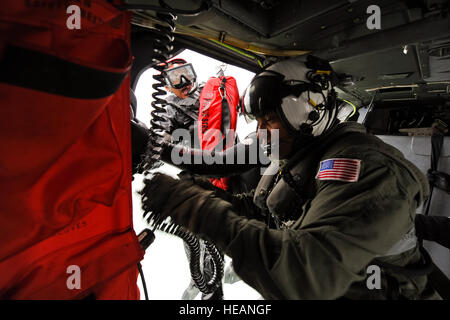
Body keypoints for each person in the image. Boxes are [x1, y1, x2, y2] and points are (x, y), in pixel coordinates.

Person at [141, 56, 441, 299]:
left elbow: (306, 277)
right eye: (258, 121)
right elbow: (268, 212)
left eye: (268, 119)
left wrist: (196, 208)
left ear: (308, 112)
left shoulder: (369, 168)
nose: (260, 132)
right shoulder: (299, 150)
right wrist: (206, 194)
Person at [161, 58, 225, 300]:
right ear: (167, 85)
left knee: (223, 225)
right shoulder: (168, 108)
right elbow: (161, 142)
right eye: (175, 78)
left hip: (224, 169)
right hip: (194, 175)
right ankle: (201, 280)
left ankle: (214, 280)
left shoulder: (210, 92)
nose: (184, 82)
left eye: (186, 73)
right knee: (195, 232)